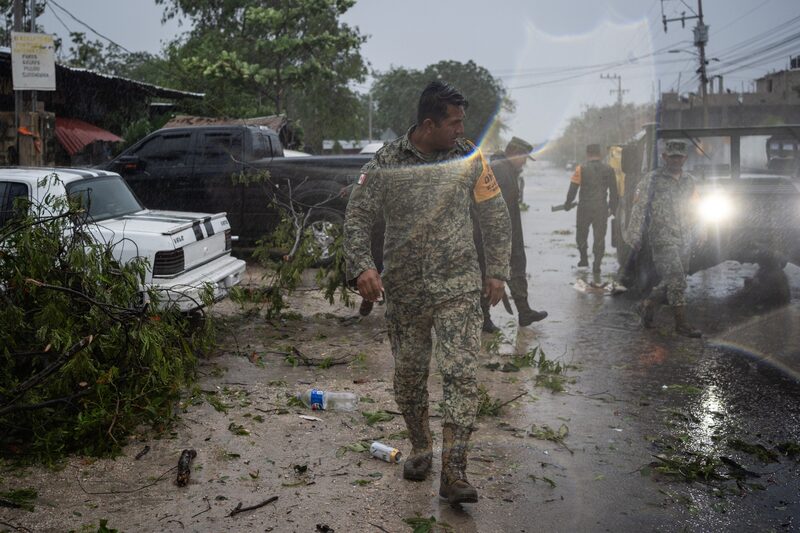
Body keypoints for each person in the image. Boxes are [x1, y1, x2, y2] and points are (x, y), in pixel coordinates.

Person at [343, 81, 511, 505]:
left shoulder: (469, 156)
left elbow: (495, 213)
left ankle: (454, 473)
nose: (461, 129)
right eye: (453, 122)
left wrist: (498, 272)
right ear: (429, 123)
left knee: (461, 374)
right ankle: (421, 449)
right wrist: (362, 266)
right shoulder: (386, 161)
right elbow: (358, 216)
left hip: (458, 284)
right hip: (406, 289)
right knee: (410, 376)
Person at [624, 140, 702, 338]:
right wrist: (633, 234)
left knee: (675, 278)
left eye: (679, 156)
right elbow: (639, 207)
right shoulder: (651, 180)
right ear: (664, 157)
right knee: (676, 279)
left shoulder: (689, 181)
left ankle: (646, 305)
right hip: (662, 236)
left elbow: (696, 207)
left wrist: (702, 229)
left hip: (685, 236)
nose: (676, 160)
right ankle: (681, 324)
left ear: (685, 158)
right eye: (672, 156)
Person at [474, 136, 548, 333]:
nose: (524, 162)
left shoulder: (506, 170)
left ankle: (524, 312)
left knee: (515, 269)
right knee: (490, 273)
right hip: (501, 236)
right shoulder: (501, 171)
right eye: (523, 157)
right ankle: (484, 318)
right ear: (515, 153)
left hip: (510, 233)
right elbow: (496, 211)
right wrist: (500, 241)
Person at [563, 144, 619, 273]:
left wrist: (567, 204)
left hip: (584, 208)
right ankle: (597, 265)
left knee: (581, 234)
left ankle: (583, 259)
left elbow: (573, 188)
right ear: (599, 154)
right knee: (599, 237)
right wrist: (613, 209)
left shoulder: (580, 169)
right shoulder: (609, 170)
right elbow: (614, 192)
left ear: (587, 154)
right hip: (601, 208)